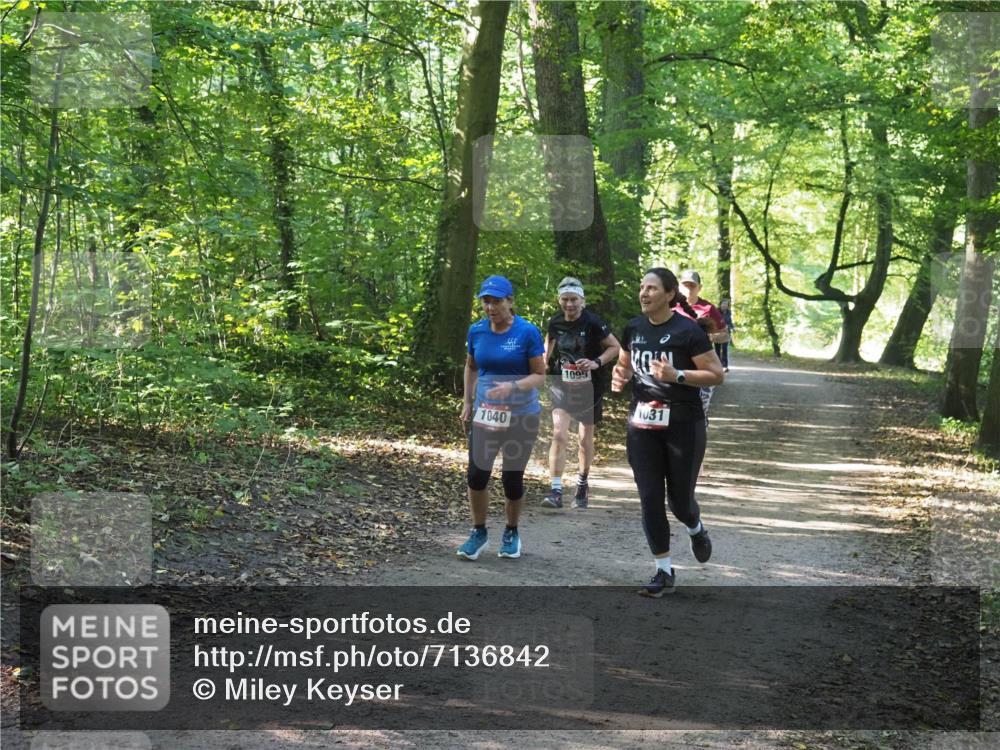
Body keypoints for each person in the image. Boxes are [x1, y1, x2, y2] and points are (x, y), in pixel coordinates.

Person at [611, 268, 725, 597]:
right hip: (643, 425)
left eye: (651, 288)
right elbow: (624, 364)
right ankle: (663, 571)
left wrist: (677, 375)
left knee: (679, 501)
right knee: (649, 498)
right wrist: (619, 377)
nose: (644, 294)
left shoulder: (688, 332)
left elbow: (716, 375)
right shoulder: (634, 327)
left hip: (683, 426)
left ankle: (696, 527)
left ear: (670, 295)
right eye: (641, 287)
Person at [458, 275, 546, 561]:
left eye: (496, 301)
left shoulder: (527, 332)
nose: (490, 307)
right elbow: (471, 367)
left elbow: (540, 375)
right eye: (486, 301)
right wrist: (467, 401)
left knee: (511, 477)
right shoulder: (477, 331)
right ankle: (478, 531)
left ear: (510, 301)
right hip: (485, 414)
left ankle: (511, 531)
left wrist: (513, 386)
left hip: (521, 415)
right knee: (477, 474)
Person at [542, 277, 621, 510]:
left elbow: (615, 347)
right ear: (559, 301)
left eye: (574, 299)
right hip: (561, 384)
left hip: (589, 386)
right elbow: (549, 344)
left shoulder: (594, 322)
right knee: (558, 433)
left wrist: (596, 362)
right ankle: (555, 490)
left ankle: (582, 483)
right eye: (565, 300)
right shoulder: (555, 322)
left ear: (582, 301)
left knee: (584, 439)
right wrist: (544, 362)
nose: (569, 304)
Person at [674, 270, 729, 416]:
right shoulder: (670, 307)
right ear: (679, 287)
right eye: (685, 285)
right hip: (676, 363)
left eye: (692, 285)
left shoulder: (708, 308)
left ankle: (698, 434)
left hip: (703, 366)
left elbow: (725, 336)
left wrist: (710, 338)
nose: (689, 288)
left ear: (699, 287)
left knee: (699, 410)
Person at [718, 298, 734, 372]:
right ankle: (718, 366)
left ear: (728, 306)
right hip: (717, 333)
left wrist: (732, 327)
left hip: (726, 333)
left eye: (726, 305)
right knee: (717, 350)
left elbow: (730, 322)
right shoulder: (716, 312)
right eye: (723, 304)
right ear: (720, 305)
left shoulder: (728, 312)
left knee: (725, 350)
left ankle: (725, 366)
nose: (724, 306)